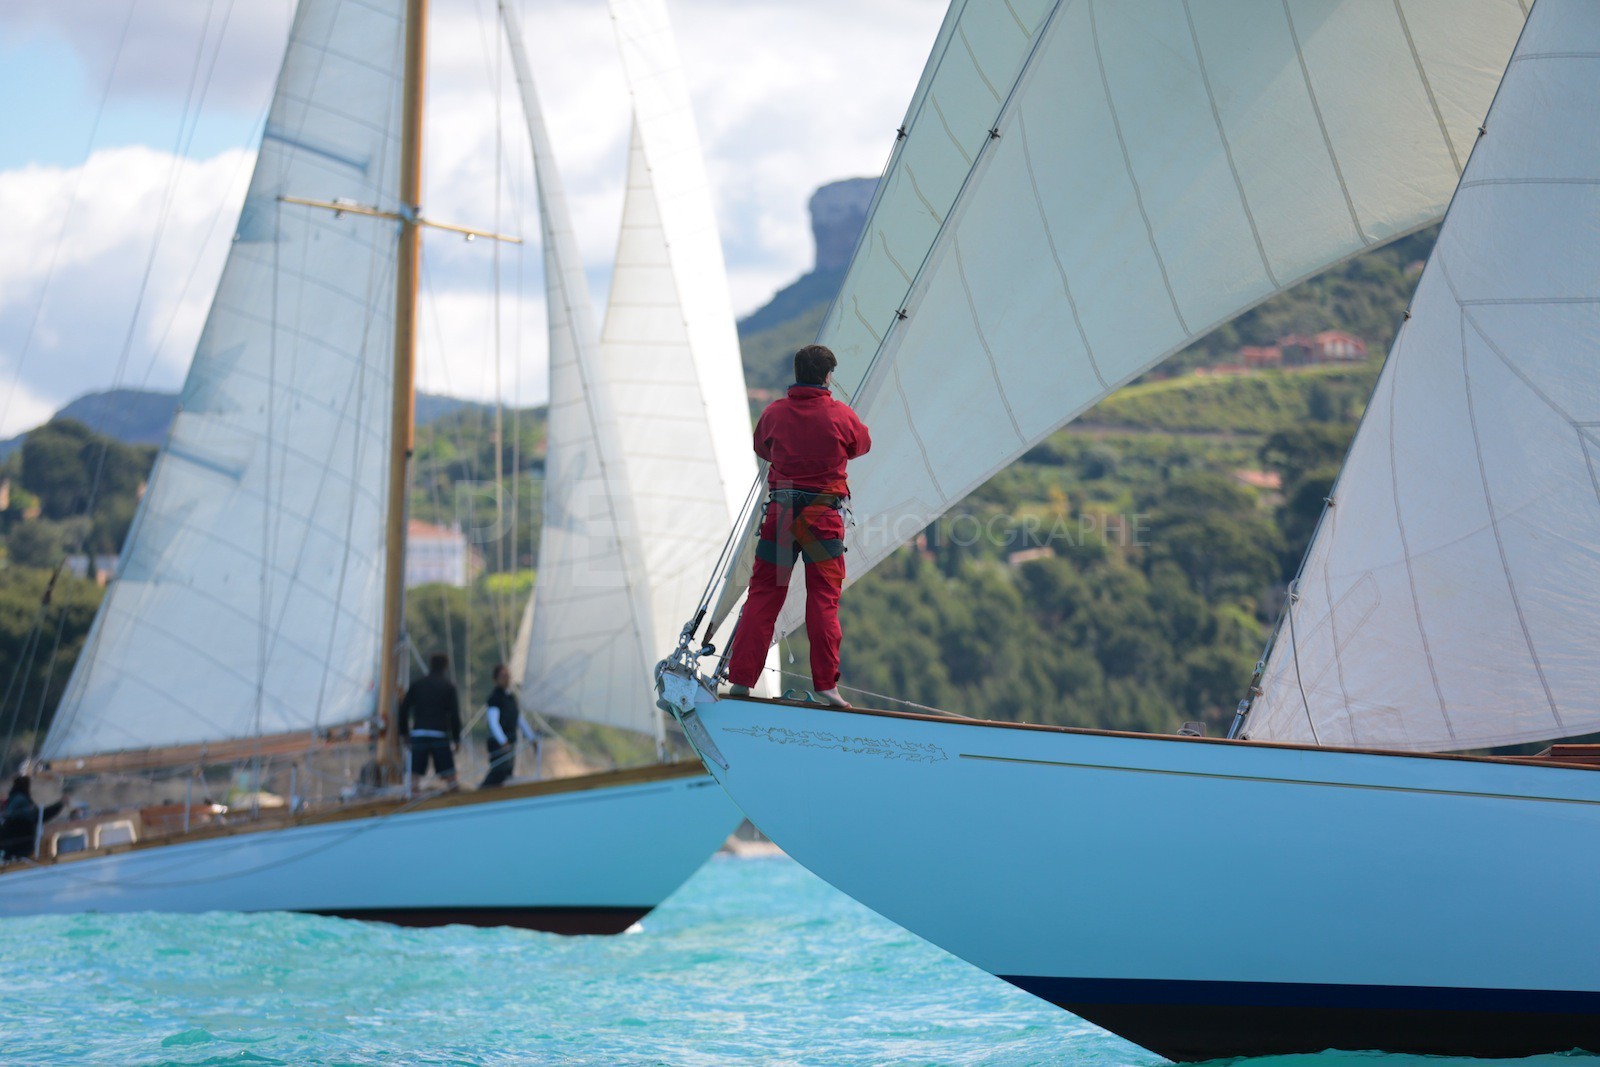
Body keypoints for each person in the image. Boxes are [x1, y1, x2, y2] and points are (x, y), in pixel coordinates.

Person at [725, 344, 870, 706]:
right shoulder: (840, 416)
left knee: (765, 595)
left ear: (797, 373)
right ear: (827, 377)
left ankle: (741, 681)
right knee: (822, 600)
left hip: (783, 515)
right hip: (822, 518)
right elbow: (861, 445)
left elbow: (762, 447)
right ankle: (826, 687)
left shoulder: (775, 413)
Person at [397, 652, 462, 793]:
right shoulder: (448, 687)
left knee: (415, 776)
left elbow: (403, 710)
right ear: (445, 666)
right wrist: (457, 739)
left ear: (430, 664)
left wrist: (404, 733)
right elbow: (455, 715)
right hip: (439, 734)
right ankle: (456, 801)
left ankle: (412, 799)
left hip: (419, 733)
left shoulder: (417, 684)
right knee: (451, 778)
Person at [480, 663, 540, 788]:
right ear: (496, 679)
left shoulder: (511, 698)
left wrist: (532, 738)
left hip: (510, 741)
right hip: (499, 743)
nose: (507, 679)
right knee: (498, 772)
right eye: (503, 676)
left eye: (508, 676)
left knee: (507, 772)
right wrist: (503, 741)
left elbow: (519, 720)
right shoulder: (494, 698)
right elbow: (493, 723)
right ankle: (482, 793)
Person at [0, 776, 69, 861]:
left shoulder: (12, 800)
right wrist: (59, 805)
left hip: (9, 846)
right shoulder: (22, 801)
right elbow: (39, 816)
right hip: (19, 846)